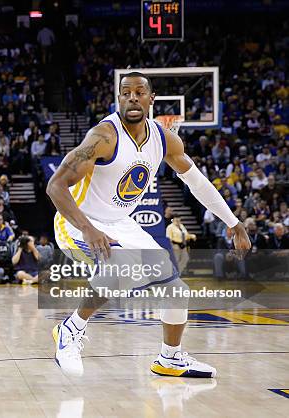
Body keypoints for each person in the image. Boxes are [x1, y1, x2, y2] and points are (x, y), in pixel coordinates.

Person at [46, 72, 251, 377]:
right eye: (125, 92)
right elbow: (56, 186)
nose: (132, 97)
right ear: (119, 98)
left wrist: (233, 222)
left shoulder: (164, 138)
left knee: (177, 290)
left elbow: (197, 182)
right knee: (122, 265)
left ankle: (170, 358)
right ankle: (70, 329)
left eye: (140, 92)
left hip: (120, 223)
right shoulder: (103, 137)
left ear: (151, 99)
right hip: (77, 221)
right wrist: (88, 229)